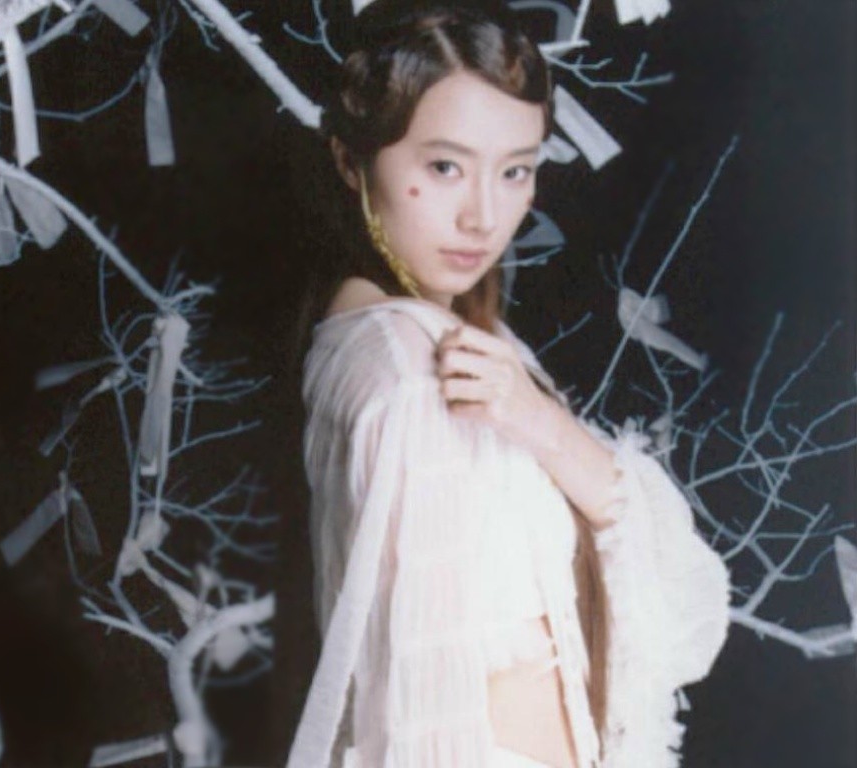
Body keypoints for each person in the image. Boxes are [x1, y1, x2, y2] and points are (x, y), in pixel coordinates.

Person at [283, 2, 731, 767]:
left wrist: (540, 423)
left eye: (515, 170)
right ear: (352, 162)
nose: (484, 217)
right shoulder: (409, 372)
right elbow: (419, 714)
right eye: (445, 167)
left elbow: (679, 592)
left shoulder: (449, 341)